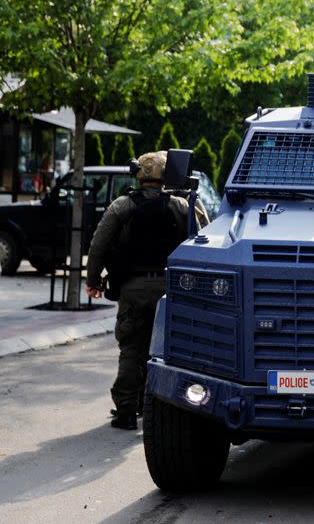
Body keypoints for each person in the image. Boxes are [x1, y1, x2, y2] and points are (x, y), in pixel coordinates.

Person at [85, 151, 209, 430]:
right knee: (171, 352)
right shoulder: (182, 205)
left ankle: (128, 412)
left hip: (133, 288)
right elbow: (206, 240)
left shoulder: (122, 206)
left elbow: (98, 245)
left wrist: (93, 279)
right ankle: (170, 411)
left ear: (138, 175)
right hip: (172, 291)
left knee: (131, 349)